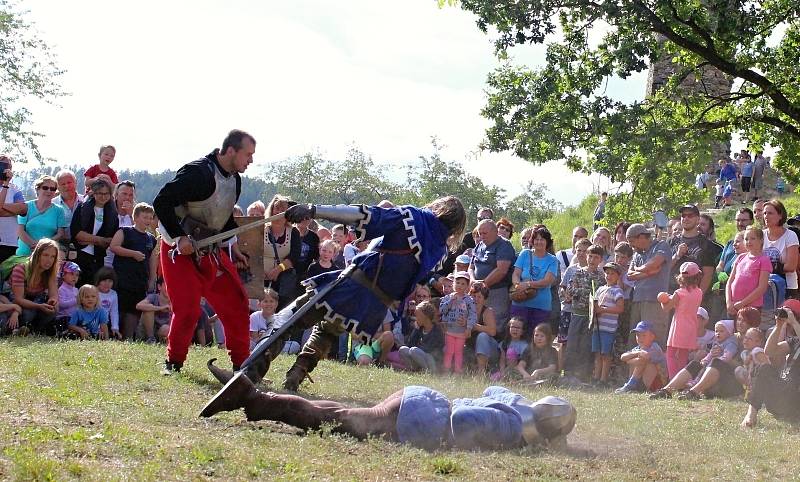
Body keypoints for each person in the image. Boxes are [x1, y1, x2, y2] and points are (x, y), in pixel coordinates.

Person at [246, 195, 466, 391]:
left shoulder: (413, 218)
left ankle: (249, 374)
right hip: (373, 307)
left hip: (353, 286)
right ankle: (297, 373)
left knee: (292, 317)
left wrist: (314, 210)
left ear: (439, 208)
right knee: (328, 332)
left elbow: (365, 215)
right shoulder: (440, 251)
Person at [201, 366, 577, 452]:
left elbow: (493, 387)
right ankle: (253, 399)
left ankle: (253, 397)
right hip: (422, 418)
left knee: (342, 414)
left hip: (421, 398)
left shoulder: (517, 404)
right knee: (338, 421)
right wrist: (458, 443)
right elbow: (463, 421)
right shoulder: (515, 430)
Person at [153, 129, 255, 375]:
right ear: (230, 150)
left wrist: (231, 245)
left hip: (208, 249)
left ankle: (242, 367)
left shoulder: (234, 180)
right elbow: (162, 202)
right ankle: (173, 362)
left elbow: (221, 218)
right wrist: (179, 238)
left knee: (237, 302)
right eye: (248, 154)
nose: (251, 160)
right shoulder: (198, 172)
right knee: (188, 309)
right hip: (179, 251)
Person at [741, 300, 800, 428]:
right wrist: (779, 326)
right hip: (781, 395)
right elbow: (770, 351)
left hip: (796, 400)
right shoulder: (795, 341)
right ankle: (751, 414)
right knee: (764, 368)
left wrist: (794, 322)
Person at [650, 319, 741, 400]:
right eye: (739, 320)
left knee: (716, 362)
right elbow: (710, 355)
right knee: (695, 364)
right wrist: (706, 359)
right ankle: (667, 391)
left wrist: (720, 358)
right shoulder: (718, 342)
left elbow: (729, 357)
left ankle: (693, 392)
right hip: (712, 374)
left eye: (743, 320)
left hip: (728, 379)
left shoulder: (733, 341)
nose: (740, 323)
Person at [110, 202, 158, 340]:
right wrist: (132, 254)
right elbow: (114, 247)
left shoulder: (151, 239)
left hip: (140, 279)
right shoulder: (124, 231)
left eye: (150, 218)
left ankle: (129, 337)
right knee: (120, 307)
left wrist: (152, 279)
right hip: (122, 278)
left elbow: (152, 260)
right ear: (135, 217)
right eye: (145, 217)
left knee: (134, 309)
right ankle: (115, 335)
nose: (148, 220)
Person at [564, 244, 606, 381]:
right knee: (572, 343)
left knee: (586, 346)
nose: (592, 260)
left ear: (600, 259)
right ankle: (569, 372)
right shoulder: (578, 272)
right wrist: (586, 292)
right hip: (577, 314)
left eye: (596, 257)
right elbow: (570, 290)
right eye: (590, 256)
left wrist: (590, 295)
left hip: (592, 316)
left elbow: (601, 294)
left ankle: (584, 375)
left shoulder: (601, 276)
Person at [626, 224, 672, 347]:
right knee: (635, 340)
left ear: (641, 237)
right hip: (637, 300)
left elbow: (654, 263)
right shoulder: (637, 254)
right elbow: (629, 275)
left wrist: (639, 268)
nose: (631, 245)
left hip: (654, 301)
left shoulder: (661, 246)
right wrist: (648, 273)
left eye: (631, 241)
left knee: (653, 339)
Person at [657, 262, 704, 378]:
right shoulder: (699, 292)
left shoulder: (679, 293)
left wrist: (663, 300)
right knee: (683, 355)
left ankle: (673, 379)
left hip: (679, 325)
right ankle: (681, 380)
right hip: (691, 325)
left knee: (670, 354)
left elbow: (666, 308)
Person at [469, 219, 516, 333]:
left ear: (495, 232)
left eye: (485, 233)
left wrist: (483, 284)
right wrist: (472, 280)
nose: (482, 236)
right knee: (476, 322)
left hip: (496, 291)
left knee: (496, 323)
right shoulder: (479, 245)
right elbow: (471, 267)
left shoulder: (504, 245)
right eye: (480, 233)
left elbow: (501, 270)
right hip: (476, 292)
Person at [71, 179, 119, 286]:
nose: (103, 196)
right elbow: (77, 234)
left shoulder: (112, 213)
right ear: (94, 193)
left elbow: (111, 239)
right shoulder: (82, 208)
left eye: (106, 193)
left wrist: (88, 238)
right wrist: (100, 240)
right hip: (80, 256)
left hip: (98, 258)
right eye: (100, 193)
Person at [511, 227, 558, 335]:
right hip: (520, 302)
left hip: (541, 306)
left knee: (536, 338)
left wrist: (527, 284)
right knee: (517, 335)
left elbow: (547, 281)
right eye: (536, 239)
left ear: (548, 242)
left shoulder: (552, 260)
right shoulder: (525, 254)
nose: (539, 242)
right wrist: (517, 286)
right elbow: (516, 273)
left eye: (542, 239)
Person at [10, 239, 59, 334]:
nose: (49, 260)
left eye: (53, 257)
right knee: (29, 314)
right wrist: (39, 306)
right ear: (37, 255)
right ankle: (19, 328)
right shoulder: (21, 269)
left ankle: (34, 330)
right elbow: (18, 299)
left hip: (36, 300)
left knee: (53, 311)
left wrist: (52, 302)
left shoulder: (50, 273)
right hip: (14, 301)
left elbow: (54, 295)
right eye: (45, 255)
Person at [262, 194, 301, 308]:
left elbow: (294, 256)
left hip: (283, 282)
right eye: (276, 208)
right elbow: (253, 252)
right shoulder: (260, 229)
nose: (278, 211)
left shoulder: (293, 232)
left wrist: (278, 270)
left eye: (283, 209)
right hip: (260, 279)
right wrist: (261, 271)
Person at [591, 262, 625, 386]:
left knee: (606, 354)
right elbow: (594, 306)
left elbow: (620, 308)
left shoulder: (617, 291)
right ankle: (596, 377)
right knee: (598, 353)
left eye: (612, 273)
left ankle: (603, 379)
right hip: (597, 326)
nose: (609, 276)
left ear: (618, 276)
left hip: (608, 328)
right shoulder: (600, 289)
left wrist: (603, 310)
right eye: (607, 273)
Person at [725, 226, 771, 316]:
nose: (749, 241)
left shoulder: (764, 260)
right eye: (746, 239)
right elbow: (730, 282)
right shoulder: (740, 257)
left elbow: (762, 288)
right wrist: (728, 302)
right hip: (733, 306)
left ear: (761, 240)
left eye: (753, 238)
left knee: (748, 330)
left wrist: (742, 303)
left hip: (752, 307)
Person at [16, 175, 66, 256]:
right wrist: (33, 245)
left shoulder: (59, 210)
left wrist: (43, 245)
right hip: (24, 254)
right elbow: (20, 231)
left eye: (52, 189)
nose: (49, 191)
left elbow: (61, 234)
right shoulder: (26, 206)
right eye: (45, 188)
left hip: (46, 256)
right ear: (37, 189)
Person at [439, 271, 476, 374]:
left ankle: (457, 371)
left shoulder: (469, 300)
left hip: (461, 332)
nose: (459, 285)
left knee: (459, 351)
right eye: (458, 282)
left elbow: (473, 314)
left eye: (463, 284)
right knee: (449, 350)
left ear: (467, 286)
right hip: (449, 330)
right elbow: (442, 311)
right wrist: (451, 301)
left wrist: (469, 327)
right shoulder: (447, 298)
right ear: (453, 283)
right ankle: (446, 369)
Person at [615, 321, 667, 393]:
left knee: (643, 361)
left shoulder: (655, 347)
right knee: (637, 360)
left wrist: (629, 360)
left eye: (644, 335)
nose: (640, 338)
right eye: (638, 335)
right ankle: (634, 387)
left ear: (652, 337)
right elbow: (623, 357)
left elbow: (643, 359)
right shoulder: (638, 349)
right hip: (645, 380)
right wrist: (637, 353)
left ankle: (630, 385)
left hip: (659, 383)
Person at [762, 199, 799, 297]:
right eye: (764, 213)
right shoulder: (760, 235)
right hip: (764, 285)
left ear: (780, 215)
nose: (766, 216)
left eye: (770, 213)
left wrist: (764, 267)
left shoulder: (790, 236)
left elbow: (791, 266)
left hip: (787, 286)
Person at [397, 300, 444, 372]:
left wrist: (416, 349)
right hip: (419, 355)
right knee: (403, 349)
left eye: (417, 316)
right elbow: (409, 345)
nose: (416, 318)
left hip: (432, 361)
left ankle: (428, 372)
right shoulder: (419, 328)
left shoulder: (436, 330)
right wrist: (416, 329)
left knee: (414, 350)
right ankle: (414, 370)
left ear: (425, 316)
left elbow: (428, 349)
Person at [249, 288, 299, 354]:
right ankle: (265, 351)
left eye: (271, 301)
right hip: (257, 343)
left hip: (273, 345)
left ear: (276, 304)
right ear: (259, 304)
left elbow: (281, 339)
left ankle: (269, 351)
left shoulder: (279, 318)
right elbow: (254, 337)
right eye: (265, 301)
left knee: (295, 345)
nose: (269, 304)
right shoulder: (255, 316)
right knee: (249, 342)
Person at [466, 282, 499, 374]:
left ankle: (481, 373)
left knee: (482, 336)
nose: (476, 299)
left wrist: (475, 326)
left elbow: (492, 332)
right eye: (473, 296)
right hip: (471, 347)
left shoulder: (488, 311)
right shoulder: (464, 310)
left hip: (491, 349)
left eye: (479, 297)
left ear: (484, 299)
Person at [0, 155, 27, 263]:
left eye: (8, 165)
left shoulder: (14, 188)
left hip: (9, 242)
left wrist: (2, 206)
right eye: (2, 165)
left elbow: (23, 209)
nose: (6, 168)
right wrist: (12, 209)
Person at [52, 169, 84, 243]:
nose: (67, 186)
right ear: (57, 187)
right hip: (58, 245)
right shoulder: (52, 204)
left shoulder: (85, 201)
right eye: (62, 184)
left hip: (83, 245)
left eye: (69, 182)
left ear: (75, 183)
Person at [136, 278, 172, 343]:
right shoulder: (153, 297)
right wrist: (160, 308)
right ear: (159, 287)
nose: (169, 288)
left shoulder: (175, 302)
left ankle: (161, 342)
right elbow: (139, 305)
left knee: (166, 328)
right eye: (167, 285)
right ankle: (151, 338)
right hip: (146, 331)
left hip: (161, 332)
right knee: (148, 309)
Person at [493, 317, 529, 381]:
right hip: (505, 369)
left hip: (517, 370)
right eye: (512, 327)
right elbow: (502, 360)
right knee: (494, 378)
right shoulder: (504, 343)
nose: (515, 330)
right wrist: (502, 371)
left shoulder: (525, 346)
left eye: (518, 328)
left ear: (523, 331)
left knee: (511, 351)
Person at [94, 267, 119, 339]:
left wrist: (115, 327)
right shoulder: (93, 291)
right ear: (98, 280)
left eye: (110, 281)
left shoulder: (113, 294)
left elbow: (114, 312)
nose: (107, 284)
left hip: (104, 324)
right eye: (104, 280)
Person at [56, 261, 81, 332]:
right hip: (64, 317)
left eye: (77, 275)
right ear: (63, 275)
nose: (74, 277)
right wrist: (76, 300)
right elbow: (61, 304)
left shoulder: (76, 290)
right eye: (71, 274)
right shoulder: (61, 289)